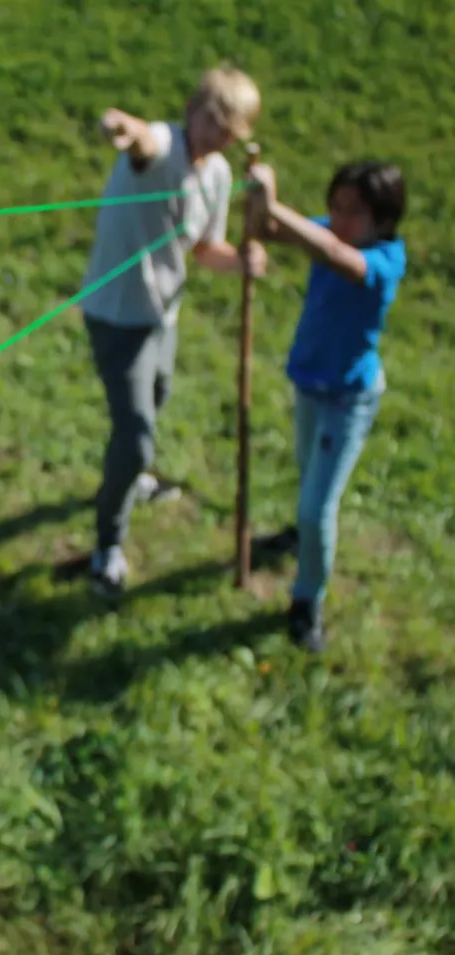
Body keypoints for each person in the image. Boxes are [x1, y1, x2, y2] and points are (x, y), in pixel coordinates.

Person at [82, 65, 268, 598]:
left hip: (163, 314)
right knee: (136, 436)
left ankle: (132, 478)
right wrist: (124, 129)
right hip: (118, 317)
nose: (219, 137)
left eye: (230, 130)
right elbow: (143, 141)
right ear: (191, 111)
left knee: (157, 398)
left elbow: (206, 248)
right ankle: (107, 548)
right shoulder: (162, 147)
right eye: (212, 122)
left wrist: (244, 261)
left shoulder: (217, 175)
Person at [247, 158, 407, 651]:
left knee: (320, 506)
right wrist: (259, 198)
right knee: (306, 475)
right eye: (333, 207)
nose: (337, 218)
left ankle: (306, 599)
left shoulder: (384, 260)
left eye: (352, 211)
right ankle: (301, 534)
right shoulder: (331, 233)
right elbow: (268, 230)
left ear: (383, 220)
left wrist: (275, 206)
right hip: (310, 384)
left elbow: (337, 255)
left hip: (348, 398)